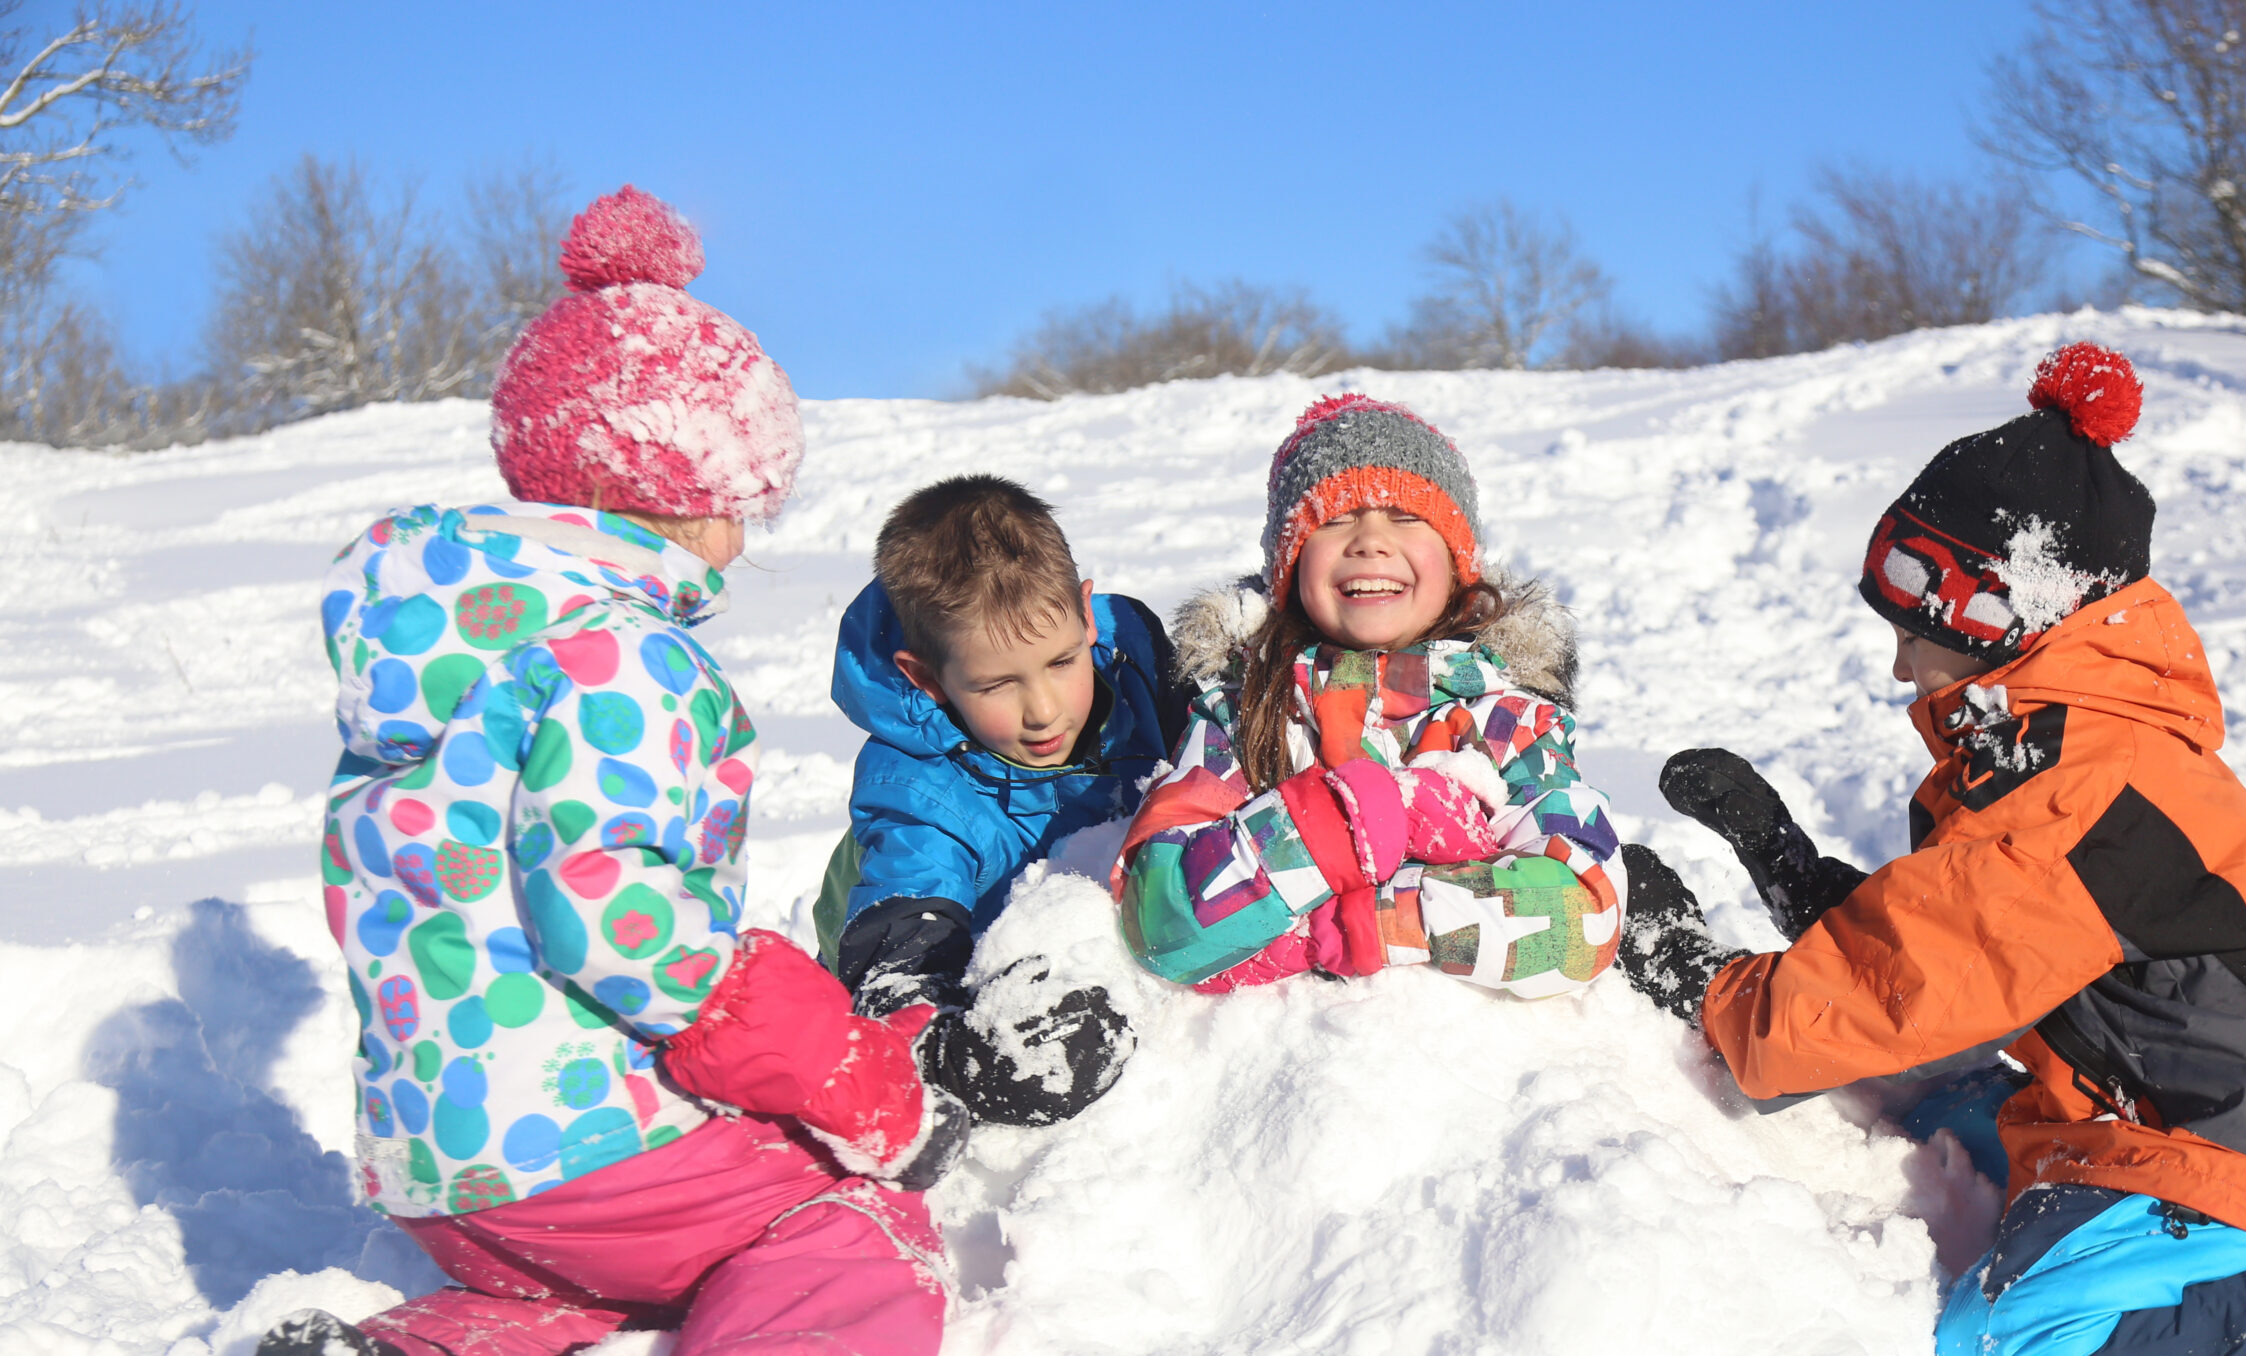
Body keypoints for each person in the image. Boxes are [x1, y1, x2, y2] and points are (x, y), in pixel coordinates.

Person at [1621, 343, 2246, 1355]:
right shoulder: (2043, 745)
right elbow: (1954, 946)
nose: (1898, 659)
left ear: (1998, 616)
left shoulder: (2078, 786)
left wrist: (1701, 980)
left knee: (2009, 1333)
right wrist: (1792, 871)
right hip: (2140, 1096)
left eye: (1914, 627)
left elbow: (1923, 966)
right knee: (1934, 1104)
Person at [262, 187, 964, 1356]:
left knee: (592, 1281)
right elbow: (621, 918)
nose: (744, 541)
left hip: (436, 1166)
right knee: (844, 1223)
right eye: (743, 505)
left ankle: (416, 1344)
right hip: (578, 1141)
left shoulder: (446, 652)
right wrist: (846, 1075)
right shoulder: (628, 659)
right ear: (684, 496)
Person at [1115, 393, 1623, 997]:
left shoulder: (1512, 725)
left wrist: (1359, 925)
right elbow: (1158, 918)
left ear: (1459, 563)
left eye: (1407, 518)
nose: (1370, 541)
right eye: (1334, 518)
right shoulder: (1240, 717)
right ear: (1290, 564)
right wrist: (1351, 818)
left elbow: (1584, 914)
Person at [821, 473, 1181, 1126]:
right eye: (996, 685)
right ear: (926, 678)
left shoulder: (1135, 662)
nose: (1044, 711)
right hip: (894, 913)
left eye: (1062, 662)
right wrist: (973, 1056)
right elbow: (896, 978)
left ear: (1084, 610)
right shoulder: (919, 800)